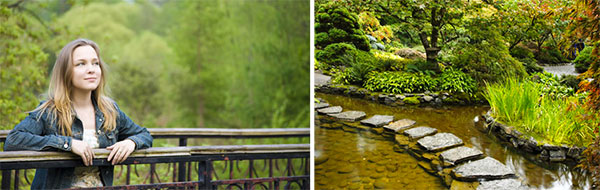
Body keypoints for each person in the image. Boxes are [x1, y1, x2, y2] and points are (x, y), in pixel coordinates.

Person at [3, 38, 153, 189]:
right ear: (66, 72)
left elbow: (144, 135)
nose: (91, 69)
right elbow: (14, 141)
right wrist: (68, 144)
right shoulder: (50, 111)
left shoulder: (110, 110)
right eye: (81, 64)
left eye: (95, 63)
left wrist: (131, 142)